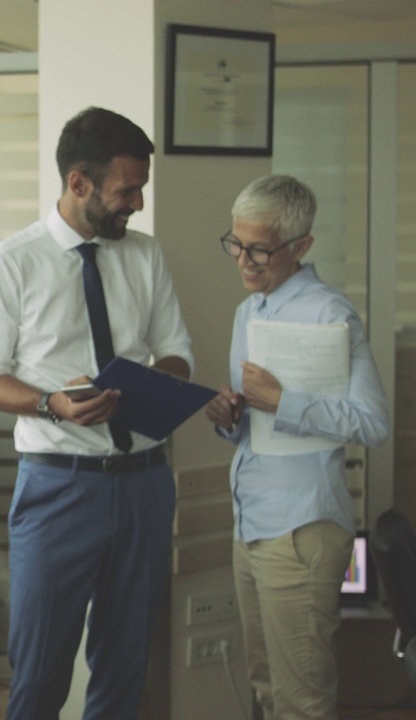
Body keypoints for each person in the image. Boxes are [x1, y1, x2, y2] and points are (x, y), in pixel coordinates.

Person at [0, 106, 193, 719]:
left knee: (126, 668)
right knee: (39, 673)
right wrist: (51, 404)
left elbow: (177, 355)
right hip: (58, 488)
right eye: (128, 190)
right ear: (78, 183)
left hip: (146, 484)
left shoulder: (144, 255)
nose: (137, 204)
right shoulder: (10, 263)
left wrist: (144, 387)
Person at [205, 175, 390, 719]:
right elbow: (251, 423)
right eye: (236, 244)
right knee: (265, 685)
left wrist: (283, 401)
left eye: (259, 249)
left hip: (302, 529)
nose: (243, 260)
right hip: (251, 522)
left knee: (302, 701)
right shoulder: (249, 311)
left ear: (301, 246)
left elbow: (374, 423)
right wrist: (228, 416)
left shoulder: (330, 314)